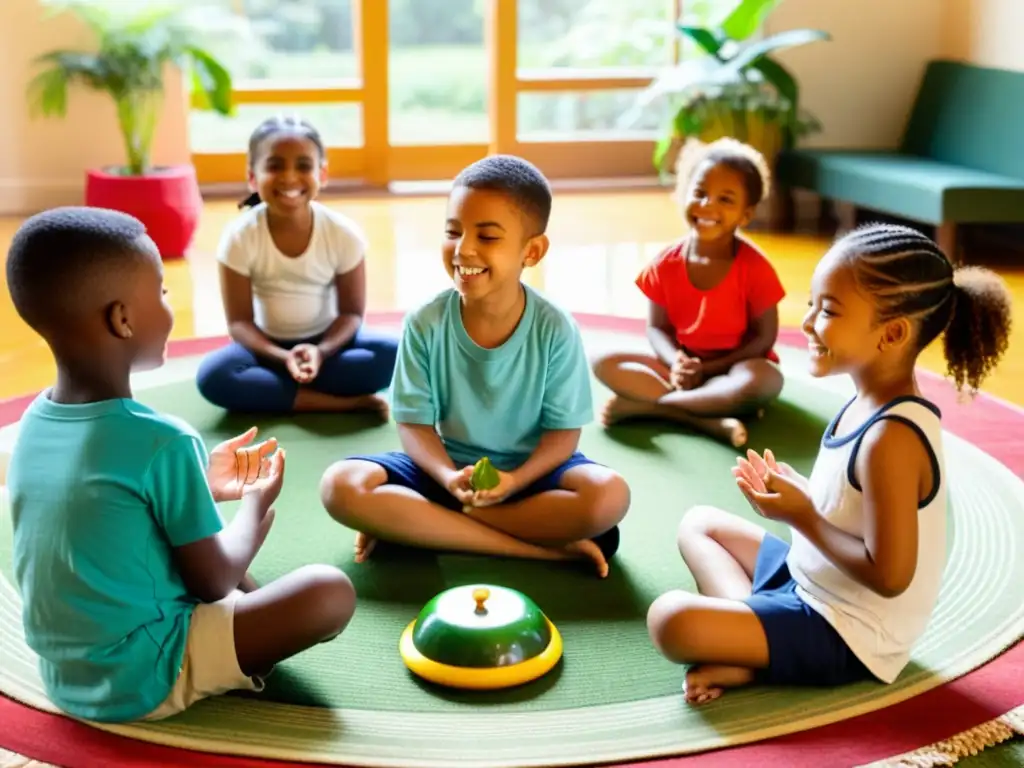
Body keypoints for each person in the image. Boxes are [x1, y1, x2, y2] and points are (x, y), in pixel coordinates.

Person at [4, 207, 357, 723]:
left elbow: (98, 517)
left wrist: (198, 483)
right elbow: (214, 580)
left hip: (67, 673)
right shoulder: (161, 440)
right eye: (163, 293)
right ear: (122, 319)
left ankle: (234, 637)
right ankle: (219, 665)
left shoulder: (35, 420)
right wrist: (255, 511)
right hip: (142, 674)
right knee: (329, 592)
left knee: (206, 562)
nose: (170, 307)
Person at [645, 223, 1012, 704]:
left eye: (829, 310)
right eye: (813, 304)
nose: (810, 321)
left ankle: (751, 648)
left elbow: (889, 574)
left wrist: (802, 514)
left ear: (893, 333)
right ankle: (749, 643)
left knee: (670, 619)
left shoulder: (892, 438)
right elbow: (851, 506)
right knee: (700, 523)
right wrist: (804, 494)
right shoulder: (864, 401)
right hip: (811, 578)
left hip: (847, 630)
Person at [319, 155, 631, 578]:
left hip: (531, 479)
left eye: (487, 236)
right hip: (444, 474)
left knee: (608, 497)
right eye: (453, 231)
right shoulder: (425, 320)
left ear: (532, 251)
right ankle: (536, 551)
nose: (464, 248)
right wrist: (448, 477)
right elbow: (413, 424)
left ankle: (420, 525)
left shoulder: (556, 328)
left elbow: (562, 437)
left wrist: (514, 482)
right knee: (341, 484)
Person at [195, 115, 398, 416]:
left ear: (322, 174)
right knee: (214, 376)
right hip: (267, 351)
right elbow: (239, 323)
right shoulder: (239, 237)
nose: (290, 178)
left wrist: (320, 351)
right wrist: (282, 357)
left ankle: (283, 394)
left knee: (395, 355)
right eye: (275, 166)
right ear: (253, 177)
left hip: (330, 349)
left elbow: (351, 314)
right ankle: (342, 403)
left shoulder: (342, 233)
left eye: (304, 166)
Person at [593, 138, 787, 448]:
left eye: (725, 199)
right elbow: (656, 328)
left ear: (745, 214)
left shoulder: (756, 268)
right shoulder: (665, 263)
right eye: (700, 194)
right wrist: (677, 363)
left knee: (765, 379)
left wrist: (707, 369)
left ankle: (652, 407)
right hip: (678, 370)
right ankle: (704, 417)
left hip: (731, 371)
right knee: (602, 360)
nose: (708, 205)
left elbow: (764, 339)